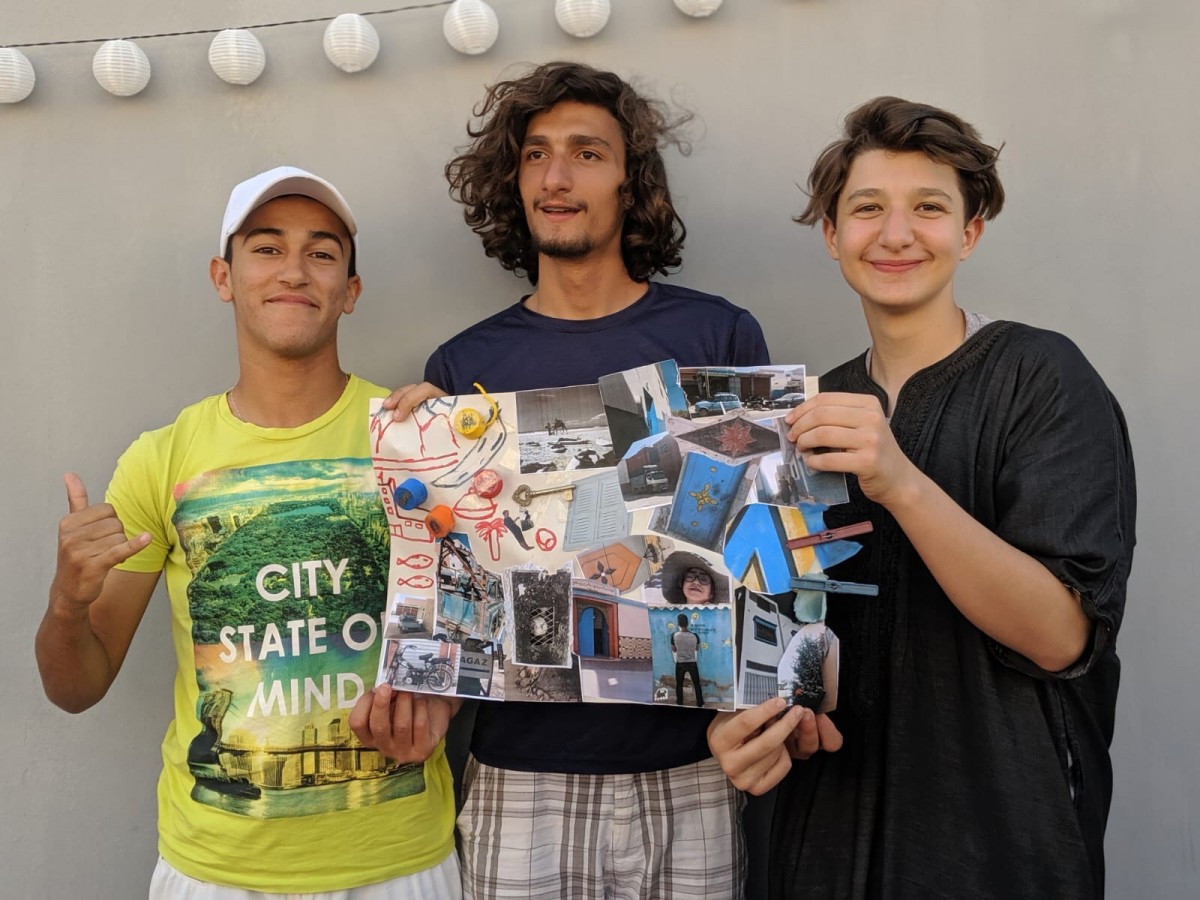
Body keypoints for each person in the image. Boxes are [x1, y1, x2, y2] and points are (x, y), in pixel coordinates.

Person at [366, 61, 813, 900]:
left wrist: (778, 702)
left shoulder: (715, 334)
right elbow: (452, 582)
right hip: (517, 772)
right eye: (536, 156)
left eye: (586, 153)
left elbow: (765, 556)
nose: (557, 177)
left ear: (629, 181)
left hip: (693, 770)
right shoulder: (466, 367)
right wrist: (420, 453)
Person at [707, 97, 1136, 899]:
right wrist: (760, 726)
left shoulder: (1043, 378)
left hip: (1000, 838)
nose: (897, 234)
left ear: (969, 232)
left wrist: (899, 481)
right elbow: (777, 633)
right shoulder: (806, 412)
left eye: (929, 208)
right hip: (825, 836)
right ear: (833, 236)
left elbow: (1061, 636)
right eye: (867, 209)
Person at [35, 167, 460, 898]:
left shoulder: (415, 437)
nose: (294, 270)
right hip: (216, 872)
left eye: (322, 253)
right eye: (266, 248)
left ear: (350, 291)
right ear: (223, 276)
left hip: (400, 862)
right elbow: (76, 687)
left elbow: (494, 636)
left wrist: (471, 459)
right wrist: (68, 603)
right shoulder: (159, 460)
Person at [671, 613, 703, 707]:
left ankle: (680, 702)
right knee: (697, 684)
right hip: (692, 663)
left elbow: (674, 649)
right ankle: (700, 703)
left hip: (680, 663)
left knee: (679, 684)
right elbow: (697, 649)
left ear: (678, 623)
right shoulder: (695, 636)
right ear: (687, 623)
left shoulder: (674, 636)